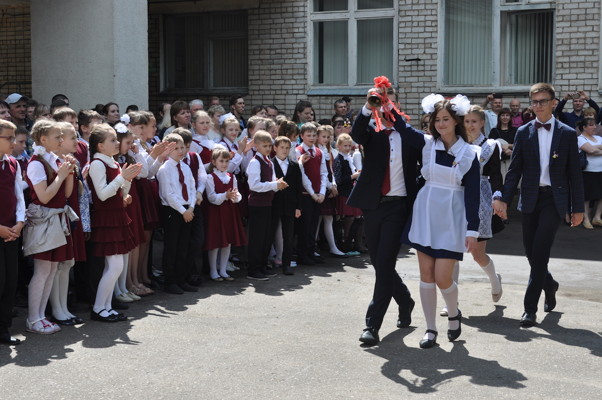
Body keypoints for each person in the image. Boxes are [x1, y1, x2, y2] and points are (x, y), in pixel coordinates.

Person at [494, 82, 584, 328]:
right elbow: (515, 170)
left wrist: (577, 208)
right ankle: (550, 284)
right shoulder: (524, 132)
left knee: (541, 251)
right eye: (534, 102)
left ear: (554, 103)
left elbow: (575, 174)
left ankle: (529, 309)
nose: (538, 106)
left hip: (554, 200)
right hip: (530, 197)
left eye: (543, 101)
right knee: (530, 252)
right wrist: (504, 199)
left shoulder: (567, 133)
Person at [406, 94, 480, 349]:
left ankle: (453, 313)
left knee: (442, 277)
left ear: (456, 121)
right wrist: (384, 103)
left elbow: (472, 195)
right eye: (437, 119)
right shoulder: (427, 145)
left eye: (445, 119)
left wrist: (472, 229)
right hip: (426, 213)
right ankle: (430, 329)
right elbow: (402, 128)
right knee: (426, 275)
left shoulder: (469, 153)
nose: (440, 124)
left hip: (452, 217)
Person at [348, 87, 420, 347]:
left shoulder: (408, 135)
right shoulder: (372, 132)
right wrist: (369, 106)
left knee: (386, 262)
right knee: (379, 263)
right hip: (373, 205)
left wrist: (395, 117)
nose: (386, 107)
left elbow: (423, 147)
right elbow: (356, 134)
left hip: (398, 206)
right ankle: (405, 300)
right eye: (382, 102)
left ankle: (372, 325)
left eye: (391, 102)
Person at [23, 120, 77, 334]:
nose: (61, 140)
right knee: (42, 270)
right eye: (57, 137)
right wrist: (61, 176)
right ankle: (33, 318)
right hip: (43, 221)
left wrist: (69, 172)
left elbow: (66, 194)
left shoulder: (54, 159)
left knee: (52, 269)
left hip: (56, 219)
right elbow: (44, 196)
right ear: (43, 139)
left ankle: (41, 317)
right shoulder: (36, 163)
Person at [87, 123, 142, 322]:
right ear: (100, 146)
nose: (117, 143)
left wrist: (128, 180)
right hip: (106, 218)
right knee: (115, 266)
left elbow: (121, 192)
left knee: (114, 266)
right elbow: (102, 195)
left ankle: (106, 307)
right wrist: (122, 178)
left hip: (117, 216)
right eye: (112, 140)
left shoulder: (113, 162)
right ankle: (98, 308)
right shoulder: (97, 164)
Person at [457, 106, 504, 308]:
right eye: (467, 121)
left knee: (477, 254)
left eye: (474, 121)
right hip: (457, 195)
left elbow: (496, 175)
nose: (470, 125)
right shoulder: (457, 143)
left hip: (480, 196)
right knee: (453, 251)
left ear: (482, 123)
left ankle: (495, 280)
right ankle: (452, 300)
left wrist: (497, 196)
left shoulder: (490, 146)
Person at [48, 122, 87, 326]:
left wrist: (73, 172)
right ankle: (57, 310)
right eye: (73, 137)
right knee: (58, 264)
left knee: (68, 263)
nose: (77, 141)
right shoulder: (52, 162)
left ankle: (63, 308)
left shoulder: (70, 161)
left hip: (70, 213)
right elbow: (61, 193)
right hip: (57, 215)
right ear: (60, 140)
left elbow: (72, 192)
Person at [156, 133, 198, 294]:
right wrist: (183, 211)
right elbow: (168, 194)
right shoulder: (165, 169)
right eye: (176, 148)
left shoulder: (185, 167)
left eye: (182, 148)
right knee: (172, 247)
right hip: (172, 211)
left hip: (187, 209)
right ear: (168, 150)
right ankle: (170, 281)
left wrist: (191, 208)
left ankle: (182, 279)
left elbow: (192, 188)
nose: (180, 151)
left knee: (184, 246)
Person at [113, 122, 148, 302]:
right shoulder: (114, 162)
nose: (130, 145)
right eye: (128, 143)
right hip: (122, 201)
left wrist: (137, 152)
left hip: (132, 200)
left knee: (134, 243)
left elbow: (145, 172)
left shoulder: (130, 157)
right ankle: (125, 284)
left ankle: (131, 282)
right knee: (126, 245)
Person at [246, 130, 288, 280]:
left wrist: (278, 184)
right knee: (257, 238)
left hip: (267, 203)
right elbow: (254, 185)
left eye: (270, 145)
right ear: (256, 146)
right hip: (257, 204)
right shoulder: (254, 162)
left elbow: (271, 182)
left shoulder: (268, 161)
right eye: (264, 146)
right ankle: (253, 270)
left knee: (265, 237)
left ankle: (262, 266)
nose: (268, 148)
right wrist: (274, 185)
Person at [204, 147, 247, 281]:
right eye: (221, 161)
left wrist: (235, 197)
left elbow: (236, 192)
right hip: (216, 213)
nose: (224, 164)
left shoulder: (231, 177)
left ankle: (223, 270)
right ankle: (213, 271)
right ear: (214, 162)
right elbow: (211, 197)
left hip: (229, 211)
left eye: (227, 161)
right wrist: (225, 195)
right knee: (215, 242)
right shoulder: (210, 177)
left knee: (227, 241)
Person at [0, 120, 25, 345]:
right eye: (8, 138)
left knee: (10, 281)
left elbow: (19, 196)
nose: (13, 142)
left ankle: (4, 329)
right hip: (1, 230)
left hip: (11, 232)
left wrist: (20, 222)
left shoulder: (12, 163)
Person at [174, 128, 207, 287]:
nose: (185, 150)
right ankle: (186, 275)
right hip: (179, 206)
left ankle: (191, 271)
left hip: (195, 203)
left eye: (187, 146)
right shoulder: (172, 162)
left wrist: (200, 192)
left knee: (197, 240)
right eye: (181, 146)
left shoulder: (194, 157)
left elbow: (202, 177)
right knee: (183, 242)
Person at [295, 122, 328, 265]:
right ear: (301, 136)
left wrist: (322, 192)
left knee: (314, 225)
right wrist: (312, 193)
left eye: (314, 135)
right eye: (308, 135)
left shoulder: (319, 152)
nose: (312, 138)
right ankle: (302, 254)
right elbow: (302, 175)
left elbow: (324, 173)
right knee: (305, 225)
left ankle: (310, 252)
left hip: (318, 194)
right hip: (305, 194)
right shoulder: (298, 151)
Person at [270, 136, 302, 275]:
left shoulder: (294, 165)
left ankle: (286, 264)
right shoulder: (270, 164)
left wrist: (298, 207)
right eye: (281, 147)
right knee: (269, 234)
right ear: (275, 148)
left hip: (290, 205)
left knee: (288, 236)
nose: (284, 150)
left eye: (287, 148)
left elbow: (298, 187)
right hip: (273, 204)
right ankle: (265, 262)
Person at [315, 125, 346, 257]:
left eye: (328, 137)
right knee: (317, 219)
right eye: (323, 136)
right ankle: (313, 246)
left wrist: (333, 184)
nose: (326, 139)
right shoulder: (316, 151)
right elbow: (319, 172)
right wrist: (329, 186)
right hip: (320, 187)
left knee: (328, 218)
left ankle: (333, 247)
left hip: (328, 187)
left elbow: (330, 170)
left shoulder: (328, 151)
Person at [333, 133, 362, 255]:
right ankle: (344, 244)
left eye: (349, 145)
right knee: (346, 218)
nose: (347, 148)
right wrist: (353, 176)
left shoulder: (349, 157)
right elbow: (338, 179)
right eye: (345, 145)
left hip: (350, 191)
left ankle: (349, 243)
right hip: (343, 193)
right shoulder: (338, 159)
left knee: (355, 217)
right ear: (338, 146)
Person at [576, 118, 602, 229]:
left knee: (601, 195)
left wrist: (593, 148)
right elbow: (591, 151)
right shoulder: (580, 139)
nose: (594, 127)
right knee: (586, 197)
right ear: (584, 127)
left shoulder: (599, 138)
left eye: (594, 125)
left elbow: (592, 150)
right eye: (591, 125)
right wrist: (594, 148)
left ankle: (597, 217)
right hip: (587, 171)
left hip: (600, 170)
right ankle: (586, 218)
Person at [489, 107, 518, 179]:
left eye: (507, 115)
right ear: (499, 117)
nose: (505, 117)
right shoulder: (494, 131)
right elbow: (491, 146)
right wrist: (504, 149)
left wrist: (509, 146)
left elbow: (520, 145)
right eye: (503, 115)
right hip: (499, 163)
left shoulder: (516, 130)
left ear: (510, 118)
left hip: (513, 162)